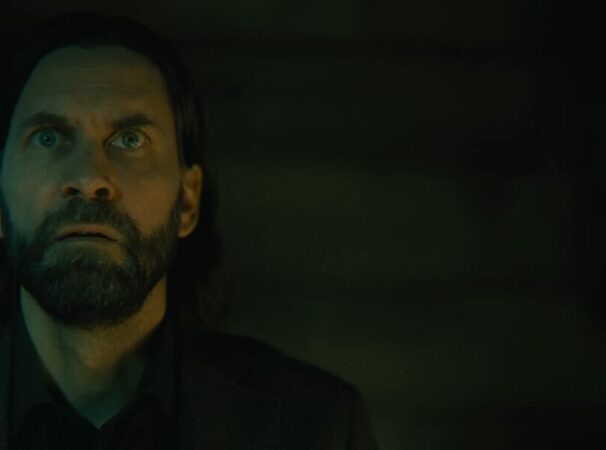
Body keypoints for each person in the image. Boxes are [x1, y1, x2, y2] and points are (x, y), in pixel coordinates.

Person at [0, 12, 378, 449]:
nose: (88, 178)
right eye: (48, 137)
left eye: (130, 140)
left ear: (188, 201)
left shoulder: (318, 425)